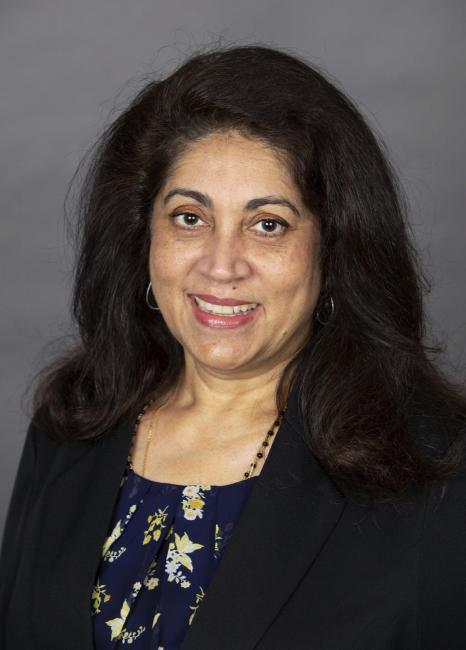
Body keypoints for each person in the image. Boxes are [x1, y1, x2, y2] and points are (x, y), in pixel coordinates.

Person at [0, 43, 465, 650]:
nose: (221, 267)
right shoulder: (70, 430)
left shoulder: (432, 472)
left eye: (267, 224)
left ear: (334, 251)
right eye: (189, 217)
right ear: (144, 237)